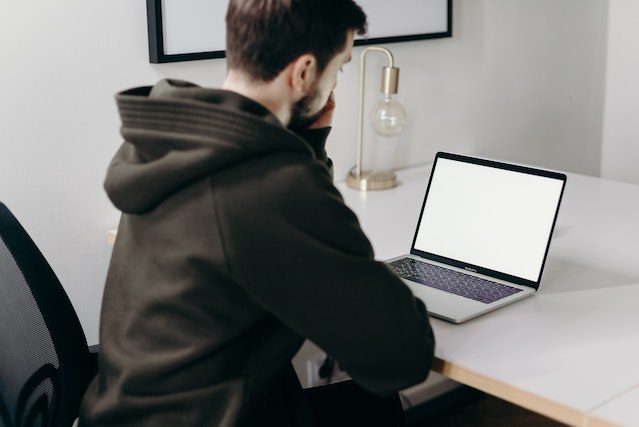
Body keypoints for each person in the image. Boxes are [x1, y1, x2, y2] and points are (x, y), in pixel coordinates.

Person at [79, 0, 435, 426]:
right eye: (338, 67)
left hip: (130, 407)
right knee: (380, 400)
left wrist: (309, 143)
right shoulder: (272, 186)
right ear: (304, 72)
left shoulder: (175, 141)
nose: (336, 82)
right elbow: (401, 357)